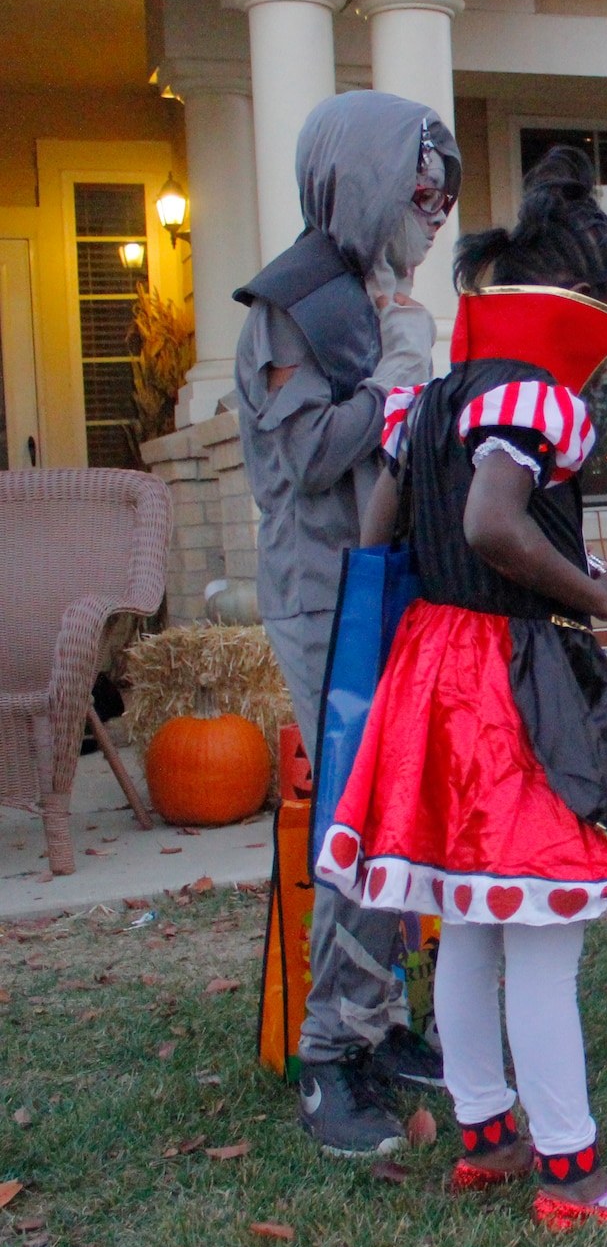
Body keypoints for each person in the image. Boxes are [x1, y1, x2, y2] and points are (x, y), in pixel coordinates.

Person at [313, 147, 607, 1227]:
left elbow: (381, 530)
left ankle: (484, 1131)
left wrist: (430, 602)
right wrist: (599, 591)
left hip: (432, 662)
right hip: (509, 679)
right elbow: (491, 518)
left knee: (466, 916)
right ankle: (570, 1172)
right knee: (537, 930)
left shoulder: (428, 401)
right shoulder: (535, 401)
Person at [233, 89, 455, 1155]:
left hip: (392, 574)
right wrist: (405, 374)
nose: (437, 209)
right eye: (421, 186)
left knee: (400, 799)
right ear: (367, 179)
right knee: (357, 809)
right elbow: (308, 456)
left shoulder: (380, 295)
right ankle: (331, 1055)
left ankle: (387, 1023)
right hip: (326, 587)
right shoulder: (293, 304)